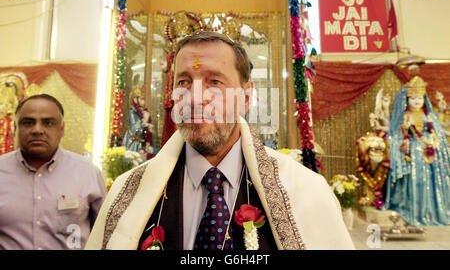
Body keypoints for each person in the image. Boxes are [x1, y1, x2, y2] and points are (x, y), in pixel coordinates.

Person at [86, 31, 354, 250]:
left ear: (246, 99)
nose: (195, 97)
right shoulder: (127, 192)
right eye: (183, 82)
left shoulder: (305, 192)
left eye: (214, 81)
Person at [0, 94, 106, 249]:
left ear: (62, 129)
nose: (37, 130)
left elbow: (106, 233)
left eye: (48, 123)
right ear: (15, 128)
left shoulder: (87, 173)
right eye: (28, 123)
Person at [384, 76, 450, 226]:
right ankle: (413, 208)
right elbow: (397, 132)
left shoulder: (428, 115)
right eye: (413, 98)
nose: (417, 101)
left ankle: (432, 209)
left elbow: (437, 127)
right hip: (414, 152)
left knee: (433, 181)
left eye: (419, 98)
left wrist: (440, 107)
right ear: (407, 101)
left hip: (431, 151)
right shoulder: (406, 116)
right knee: (416, 180)